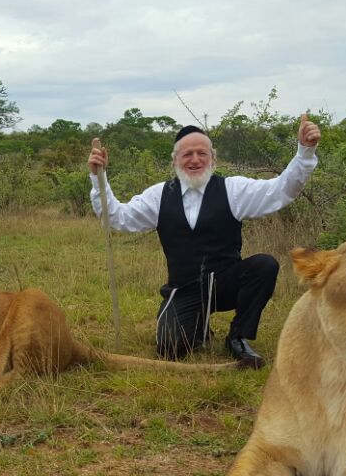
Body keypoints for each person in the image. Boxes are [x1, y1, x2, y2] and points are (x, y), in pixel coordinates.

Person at [87, 115, 321, 368]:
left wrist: (305, 151)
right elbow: (117, 218)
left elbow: (281, 191)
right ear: (175, 160)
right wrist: (98, 178)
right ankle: (199, 326)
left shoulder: (233, 190)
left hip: (226, 283)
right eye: (187, 154)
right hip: (184, 288)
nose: (195, 160)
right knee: (170, 349)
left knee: (264, 265)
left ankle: (237, 337)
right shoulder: (159, 196)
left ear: (213, 158)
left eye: (202, 153)